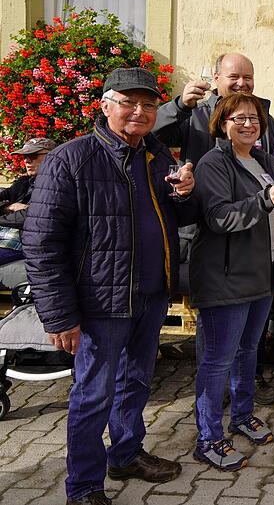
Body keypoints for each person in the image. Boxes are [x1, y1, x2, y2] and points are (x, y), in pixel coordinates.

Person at [24, 67, 196, 505]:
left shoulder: (157, 156)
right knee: (92, 394)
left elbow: (182, 217)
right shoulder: (71, 159)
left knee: (136, 382)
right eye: (128, 102)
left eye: (148, 104)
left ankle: (125, 454)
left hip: (151, 294)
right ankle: (83, 486)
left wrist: (184, 194)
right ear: (104, 106)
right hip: (100, 302)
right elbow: (41, 242)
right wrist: (60, 315)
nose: (139, 111)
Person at [154, 52, 274, 402]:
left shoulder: (264, 119)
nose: (241, 82)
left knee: (250, 327)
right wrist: (178, 105)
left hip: (254, 241)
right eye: (233, 76)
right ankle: (215, 393)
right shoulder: (194, 112)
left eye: (248, 76)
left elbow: (273, 168)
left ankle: (246, 384)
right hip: (206, 235)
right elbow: (151, 133)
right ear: (215, 78)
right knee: (217, 327)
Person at [191, 93, 274, 470]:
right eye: (239, 118)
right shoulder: (213, 163)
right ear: (223, 124)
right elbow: (219, 218)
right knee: (217, 361)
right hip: (225, 278)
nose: (248, 124)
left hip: (261, 276)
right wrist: (265, 200)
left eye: (254, 119)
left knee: (248, 353)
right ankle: (207, 438)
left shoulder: (263, 161)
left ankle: (241, 415)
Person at [0, 138, 56, 291]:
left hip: (17, 244)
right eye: (24, 157)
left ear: (51, 156)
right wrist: (11, 206)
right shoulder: (24, 183)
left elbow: (35, 216)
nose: (27, 161)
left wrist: (7, 212)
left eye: (34, 155)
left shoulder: (57, 185)